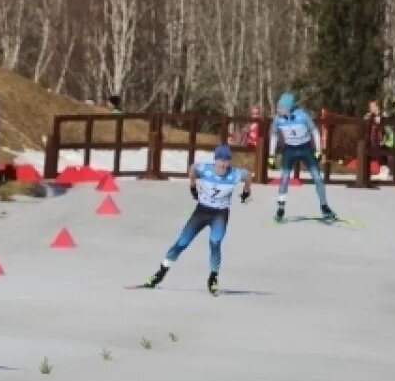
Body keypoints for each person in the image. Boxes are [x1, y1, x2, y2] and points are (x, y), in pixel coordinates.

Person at [142, 144, 252, 296]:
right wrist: (193, 185)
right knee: (182, 242)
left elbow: (248, 175)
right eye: (220, 160)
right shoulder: (205, 169)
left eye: (226, 161)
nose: (223, 164)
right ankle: (159, 273)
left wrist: (246, 191)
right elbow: (193, 168)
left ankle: (213, 278)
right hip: (202, 211)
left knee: (215, 242)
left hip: (220, 213)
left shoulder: (234, 174)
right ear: (215, 161)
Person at [267, 90, 336, 224]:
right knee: (284, 178)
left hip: (305, 148)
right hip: (289, 149)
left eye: (281, 107)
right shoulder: (277, 119)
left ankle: (324, 207)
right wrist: (271, 155)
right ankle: (280, 209)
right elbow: (274, 136)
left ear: (289, 107)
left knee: (317, 177)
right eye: (278, 107)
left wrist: (318, 150)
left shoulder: (302, 116)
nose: (278, 110)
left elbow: (315, 131)